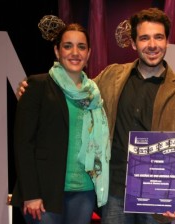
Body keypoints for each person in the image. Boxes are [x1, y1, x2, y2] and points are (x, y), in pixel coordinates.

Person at [18, 8, 175, 224]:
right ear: (133, 43)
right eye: (144, 38)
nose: (152, 45)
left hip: (157, 194)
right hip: (114, 191)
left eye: (158, 37)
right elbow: (78, 89)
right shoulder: (112, 75)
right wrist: (28, 87)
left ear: (167, 41)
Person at [11, 15, 110, 224]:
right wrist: (31, 193)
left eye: (81, 47)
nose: (75, 53)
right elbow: (23, 145)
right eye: (68, 46)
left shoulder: (94, 94)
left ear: (89, 53)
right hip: (43, 193)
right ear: (57, 51)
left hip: (83, 190)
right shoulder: (37, 86)